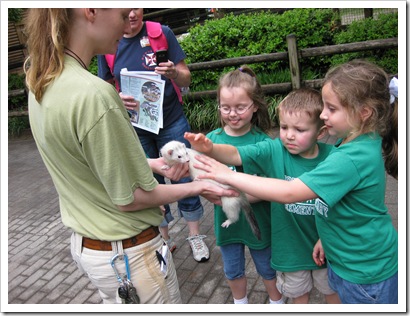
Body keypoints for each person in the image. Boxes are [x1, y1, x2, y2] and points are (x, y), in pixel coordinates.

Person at [24, 8, 237, 304]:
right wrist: (199, 187)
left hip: (93, 250)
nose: (127, 23)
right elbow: (131, 197)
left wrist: (150, 164)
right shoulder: (95, 95)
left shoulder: (42, 80)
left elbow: (89, 164)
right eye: (122, 13)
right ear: (91, 10)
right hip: (129, 255)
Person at [186, 59, 398, 304]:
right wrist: (326, 238)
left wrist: (229, 175)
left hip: (364, 274)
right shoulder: (360, 140)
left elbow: (290, 192)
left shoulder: (350, 158)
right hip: (356, 260)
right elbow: (348, 211)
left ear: (364, 113)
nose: (322, 114)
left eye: (331, 108)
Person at [97, 8, 209, 262]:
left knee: (184, 177)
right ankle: (165, 240)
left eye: (136, 7)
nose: (133, 14)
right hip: (136, 128)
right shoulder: (108, 42)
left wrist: (174, 74)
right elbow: (103, 87)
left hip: (171, 121)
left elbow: (186, 76)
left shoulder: (161, 33)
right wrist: (117, 98)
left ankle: (194, 236)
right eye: (126, 10)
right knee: (150, 184)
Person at [206, 65, 283, 304]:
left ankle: (277, 302)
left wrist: (235, 195)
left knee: (267, 268)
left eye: (240, 107)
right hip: (227, 223)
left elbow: (273, 186)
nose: (232, 113)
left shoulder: (264, 143)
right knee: (232, 270)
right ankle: (241, 304)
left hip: (259, 219)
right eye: (226, 107)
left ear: (254, 106)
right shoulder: (211, 141)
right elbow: (204, 181)